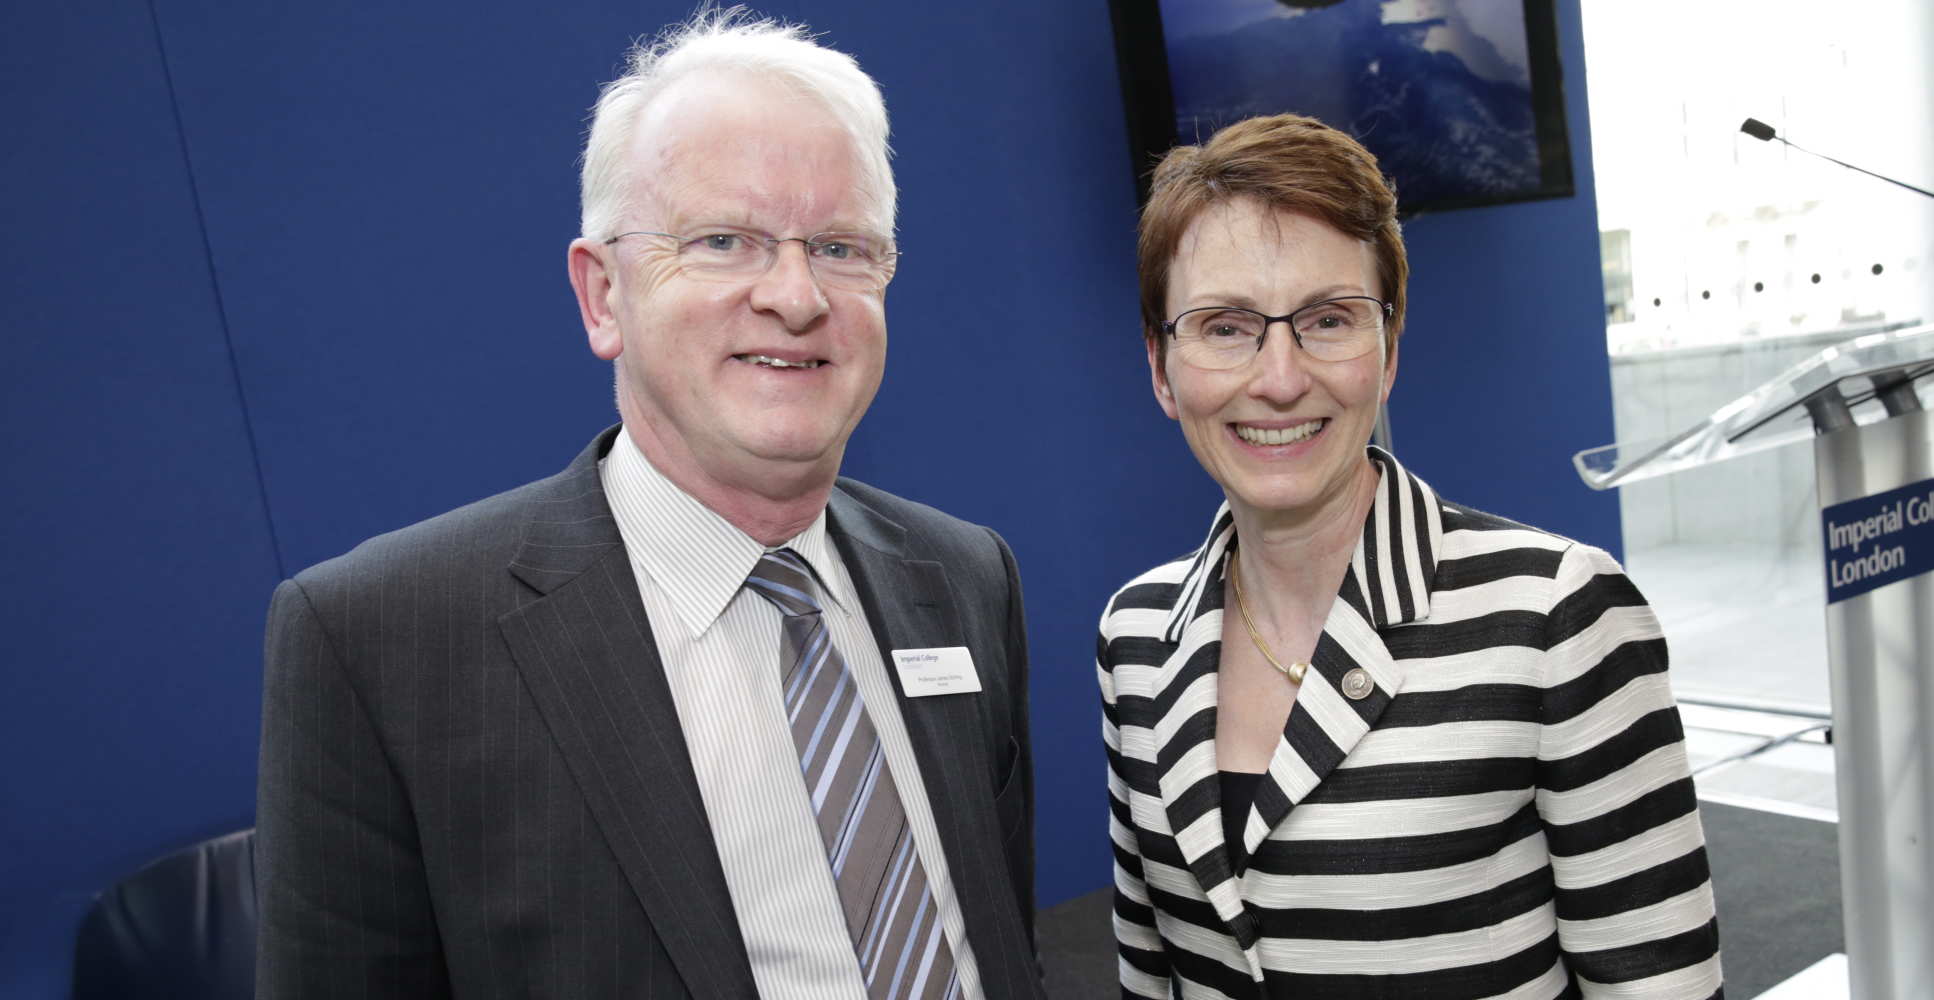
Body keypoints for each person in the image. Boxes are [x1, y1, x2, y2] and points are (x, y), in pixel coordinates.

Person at [255, 12, 1044, 999]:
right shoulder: (382, 641)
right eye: (724, 241)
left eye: (842, 247)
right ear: (602, 295)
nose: (795, 296)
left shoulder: (966, 577)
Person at [1098, 114, 1723, 998]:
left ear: (1387, 354)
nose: (1280, 377)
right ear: (1162, 369)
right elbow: (1149, 970)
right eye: (1225, 326)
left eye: (1328, 319)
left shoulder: (1554, 612)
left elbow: (1660, 983)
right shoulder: (1136, 633)